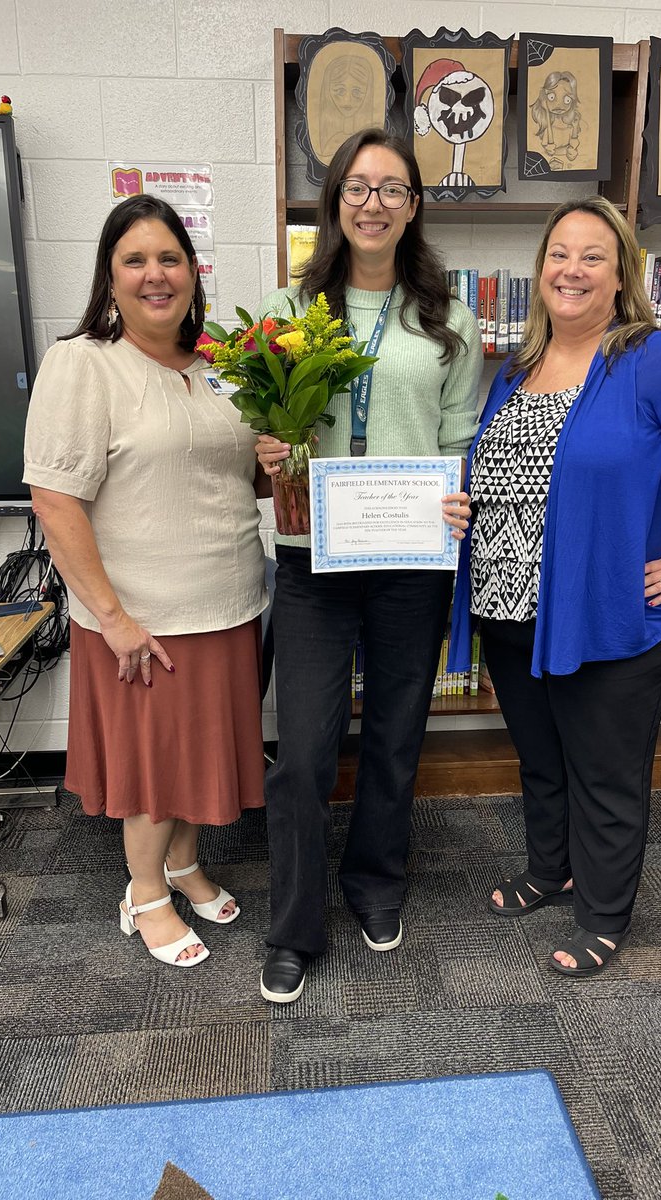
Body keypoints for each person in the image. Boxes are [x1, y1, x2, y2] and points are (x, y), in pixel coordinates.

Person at [449, 196, 661, 977]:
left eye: (593, 256)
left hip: (609, 615)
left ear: (622, 274)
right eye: (560, 253)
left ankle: (602, 912)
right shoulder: (518, 368)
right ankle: (549, 869)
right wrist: (466, 502)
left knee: (605, 769)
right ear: (541, 270)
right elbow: (507, 476)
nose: (572, 269)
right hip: (513, 608)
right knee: (541, 759)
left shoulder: (649, 358)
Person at [255, 128, 483, 1003]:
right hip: (313, 560)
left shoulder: (447, 317)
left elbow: (455, 440)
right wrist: (267, 450)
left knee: (394, 738)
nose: (374, 203)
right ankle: (294, 927)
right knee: (304, 755)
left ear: (414, 205)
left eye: (392, 188)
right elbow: (259, 432)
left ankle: (376, 885)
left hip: (410, 561)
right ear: (335, 202)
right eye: (357, 187)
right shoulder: (289, 308)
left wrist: (457, 498)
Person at [23, 195, 268, 968]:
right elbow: (54, 500)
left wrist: (271, 466)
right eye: (136, 260)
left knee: (199, 759)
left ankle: (185, 866)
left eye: (171, 259)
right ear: (110, 275)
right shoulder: (84, 363)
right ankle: (145, 893)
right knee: (155, 769)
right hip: (142, 617)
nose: (155, 275)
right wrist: (113, 616)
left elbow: (222, 479)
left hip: (226, 603)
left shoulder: (219, 370)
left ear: (194, 274)